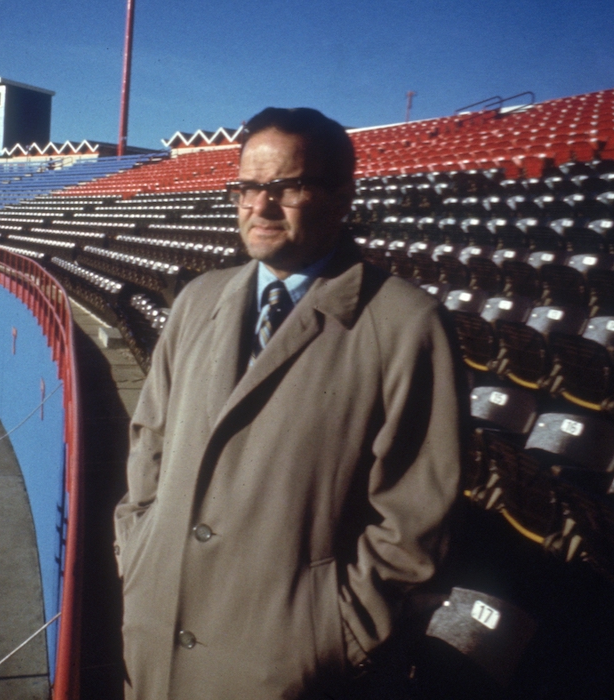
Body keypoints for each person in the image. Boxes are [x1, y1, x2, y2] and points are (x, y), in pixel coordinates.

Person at [113, 107, 465, 699]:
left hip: (285, 664)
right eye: (248, 187)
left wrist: (333, 636)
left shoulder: (407, 324)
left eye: (287, 187)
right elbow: (150, 439)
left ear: (341, 197)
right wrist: (137, 546)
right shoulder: (199, 299)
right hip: (157, 629)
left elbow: (415, 523)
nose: (260, 206)